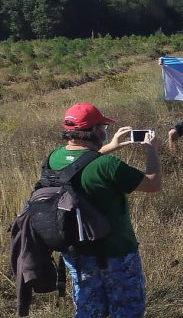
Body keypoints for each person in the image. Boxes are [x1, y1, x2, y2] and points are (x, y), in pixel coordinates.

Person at [52, 103, 161, 318]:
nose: (104, 131)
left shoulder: (53, 159)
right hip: (116, 252)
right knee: (126, 310)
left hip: (77, 252)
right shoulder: (107, 165)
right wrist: (151, 151)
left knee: (88, 310)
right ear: (93, 131)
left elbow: (79, 166)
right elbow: (153, 184)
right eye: (103, 127)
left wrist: (111, 146)